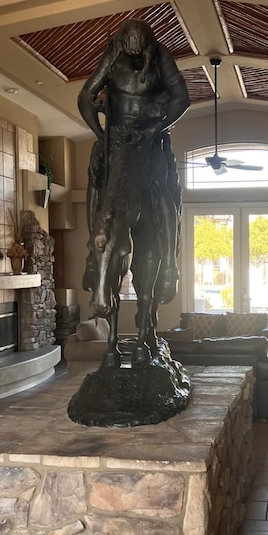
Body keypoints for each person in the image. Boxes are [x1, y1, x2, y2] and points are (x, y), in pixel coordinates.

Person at [78, 19, 190, 366]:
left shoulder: (161, 58)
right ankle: (92, 248)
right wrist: (99, 132)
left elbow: (181, 97)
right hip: (117, 140)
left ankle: (167, 263)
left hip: (149, 141)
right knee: (98, 180)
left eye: (137, 44)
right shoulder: (111, 59)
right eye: (128, 43)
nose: (133, 48)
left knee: (165, 196)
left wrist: (157, 126)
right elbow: (85, 95)